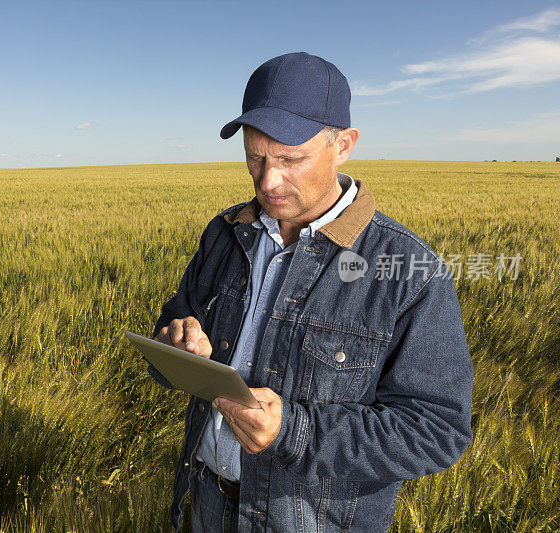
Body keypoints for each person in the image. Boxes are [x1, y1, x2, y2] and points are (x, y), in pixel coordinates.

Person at [144, 52, 474, 532]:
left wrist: (293, 432)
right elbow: (178, 316)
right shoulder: (224, 233)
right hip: (205, 505)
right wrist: (176, 339)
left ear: (343, 145)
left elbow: (436, 431)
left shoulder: (409, 270)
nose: (267, 180)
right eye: (254, 157)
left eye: (290, 159)